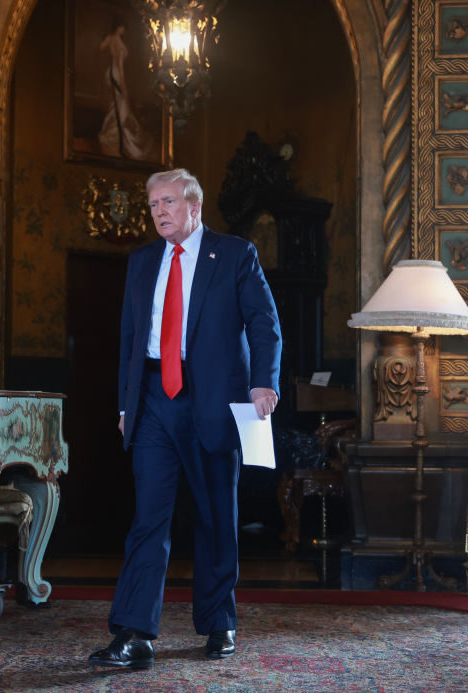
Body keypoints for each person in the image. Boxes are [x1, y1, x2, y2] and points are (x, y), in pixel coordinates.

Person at [88, 168, 281, 670]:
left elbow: (264, 322)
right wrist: (127, 405)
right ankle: (134, 633)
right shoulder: (141, 261)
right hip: (153, 398)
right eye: (153, 204)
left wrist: (265, 381)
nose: (159, 212)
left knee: (216, 516)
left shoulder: (235, 254)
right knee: (148, 519)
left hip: (213, 399)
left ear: (194, 206)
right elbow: (131, 339)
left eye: (168, 202)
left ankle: (219, 622)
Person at [97, 21, 155, 161]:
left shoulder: (111, 38)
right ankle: (115, 134)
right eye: (123, 27)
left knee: (117, 104)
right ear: (118, 27)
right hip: (117, 73)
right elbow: (120, 66)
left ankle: (111, 131)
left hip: (109, 72)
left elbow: (101, 47)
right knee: (122, 104)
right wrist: (123, 84)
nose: (124, 30)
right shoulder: (120, 44)